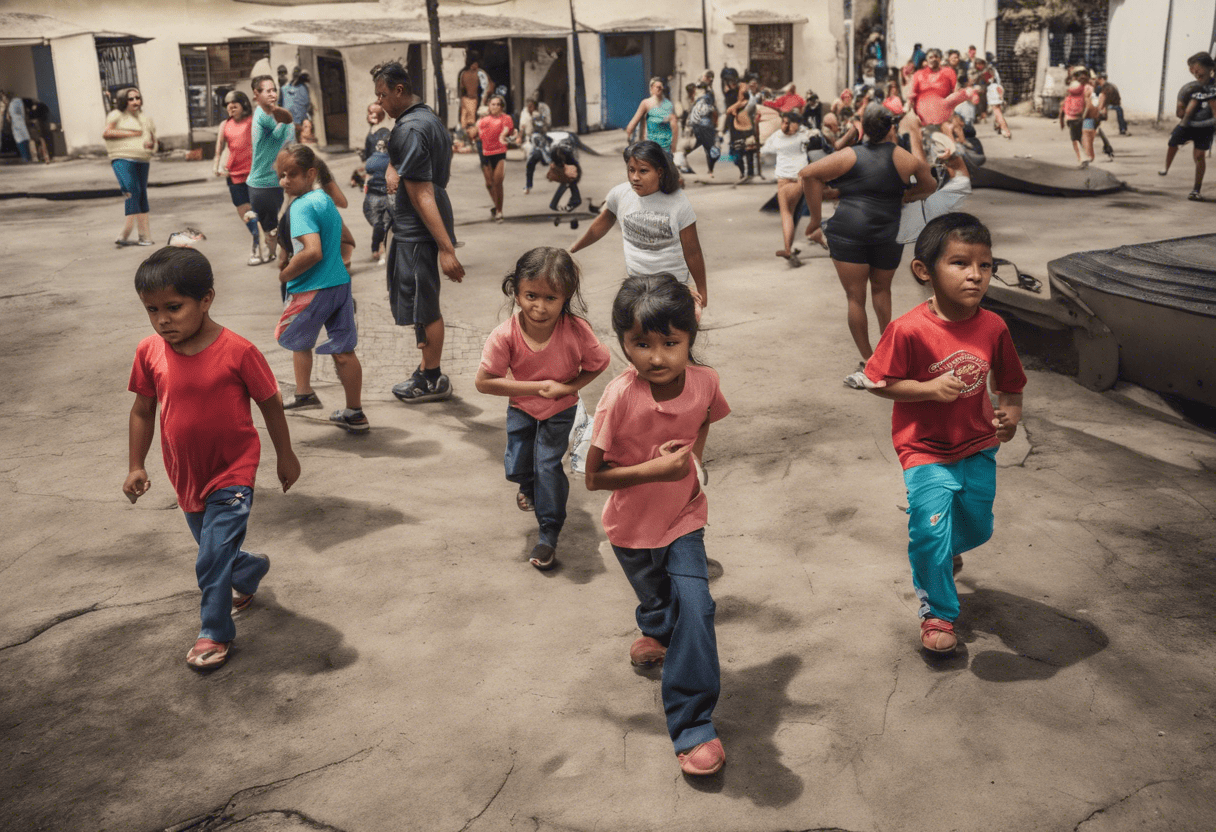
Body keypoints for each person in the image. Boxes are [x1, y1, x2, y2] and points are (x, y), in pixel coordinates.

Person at [124, 246, 300, 670]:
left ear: (206, 299)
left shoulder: (237, 351)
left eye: (174, 307)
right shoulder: (150, 352)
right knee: (217, 552)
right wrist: (136, 464)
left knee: (210, 557)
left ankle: (213, 633)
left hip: (233, 472)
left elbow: (271, 403)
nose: (163, 319)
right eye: (152, 310)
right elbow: (142, 410)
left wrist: (285, 456)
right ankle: (250, 569)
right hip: (186, 475)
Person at [585, 273, 730, 776]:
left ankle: (693, 725)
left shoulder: (706, 380)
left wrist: (695, 464)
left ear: (690, 338)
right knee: (656, 595)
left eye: (671, 343)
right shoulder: (618, 396)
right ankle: (656, 625)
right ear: (622, 341)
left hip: (684, 516)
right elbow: (593, 477)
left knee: (698, 605)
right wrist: (657, 470)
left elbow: (707, 414)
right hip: (630, 524)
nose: (657, 356)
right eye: (640, 344)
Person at [861, 212, 1026, 655]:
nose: (975, 275)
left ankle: (948, 549)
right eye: (959, 263)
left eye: (985, 265)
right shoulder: (909, 329)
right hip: (924, 450)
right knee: (930, 531)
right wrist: (927, 389)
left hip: (977, 446)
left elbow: (1010, 384)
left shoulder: (993, 326)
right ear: (923, 271)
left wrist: (1009, 417)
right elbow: (879, 382)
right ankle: (938, 612)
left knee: (976, 525)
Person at [475, 247, 610, 570]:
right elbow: (484, 382)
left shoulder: (576, 330)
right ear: (515, 291)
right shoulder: (504, 335)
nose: (539, 306)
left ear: (566, 297)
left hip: (560, 409)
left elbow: (599, 363)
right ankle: (526, 484)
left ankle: (548, 533)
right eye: (530, 295)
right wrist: (536, 388)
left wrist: (568, 387)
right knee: (519, 465)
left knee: (548, 466)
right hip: (521, 407)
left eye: (551, 298)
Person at [799, 103, 934, 387]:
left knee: (854, 298)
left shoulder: (849, 155)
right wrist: (908, 197)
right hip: (888, 233)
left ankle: (870, 359)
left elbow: (809, 173)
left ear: (863, 129)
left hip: (849, 231)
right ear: (891, 128)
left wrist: (814, 218)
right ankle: (890, 357)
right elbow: (930, 184)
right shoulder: (903, 157)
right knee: (882, 292)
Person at [374, 61, 465, 403]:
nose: (380, 102)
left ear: (400, 90)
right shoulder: (427, 118)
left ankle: (431, 377)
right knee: (419, 304)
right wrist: (393, 166)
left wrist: (445, 248)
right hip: (426, 222)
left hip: (419, 228)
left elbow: (421, 192)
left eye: (383, 95)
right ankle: (426, 369)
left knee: (425, 306)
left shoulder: (408, 129)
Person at [272, 144, 366, 431]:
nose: (285, 181)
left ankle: (305, 393)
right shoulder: (324, 200)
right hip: (339, 284)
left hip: (312, 288)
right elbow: (340, 240)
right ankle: (354, 412)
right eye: (281, 175)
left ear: (310, 173)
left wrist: (286, 274)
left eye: (292, 174)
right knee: (344, 350)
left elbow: (312, 251)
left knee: (290, 336)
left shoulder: (301, 206)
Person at [569, 141, 708, 311]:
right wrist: (576, 246)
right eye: (631, 170)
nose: (635, 177)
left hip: (672, 286)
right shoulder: (620, 194)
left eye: (643, 171)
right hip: (637, 284)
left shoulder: (678, 202)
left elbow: (692, 251)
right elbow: (603, 222)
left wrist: (702, 290)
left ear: (659, 172)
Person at [247, 75, 295, 263]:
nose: (273, 94)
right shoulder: (262, 116)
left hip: (280, 180)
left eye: (274, 90)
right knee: (271, 229)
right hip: (263, 183)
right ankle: (265, 251)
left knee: (287, 225)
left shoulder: (274, 115)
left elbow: (289, 142)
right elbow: (284, 121)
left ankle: (284, 255)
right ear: (256, 94)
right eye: (268, 90)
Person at [102, 87, 157, 247]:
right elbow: (107, 132)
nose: (135, 102)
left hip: (142, 159)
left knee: (140, 194)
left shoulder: (145, 118)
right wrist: (133, 133)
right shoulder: (116, 115)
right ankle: (127, 232)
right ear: (123, 101)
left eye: (137, 98)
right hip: (122, 157)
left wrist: (151, 145)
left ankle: (144, 236)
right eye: (131, 99)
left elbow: (153, 137)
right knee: (131, 190)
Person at [213, 91, 262, 266]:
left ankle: (260, 244)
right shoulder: (225, 124)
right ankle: (256, 237)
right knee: (243, 210)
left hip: (254, 173)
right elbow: (219, 147)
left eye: (235, 103)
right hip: (234, 174)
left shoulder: (253, 121)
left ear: (244, 105)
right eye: (228, 104)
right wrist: (216, 164)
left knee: (259, 210)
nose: (231, 107)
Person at [1159, 52, 1216, 201]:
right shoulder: (1190, 88)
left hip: (1206, 127)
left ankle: (1196, 190)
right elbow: (1180, 111)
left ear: (1210, 68)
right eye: (1193, 70)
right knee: (1173, 143)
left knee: (1199, 156)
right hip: (1187, 124)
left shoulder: (1213, 87)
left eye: (1198, 69)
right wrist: (1183, 108)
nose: (1195, 73)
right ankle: (1166, 167)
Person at [761, 111, 810, 258]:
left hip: (788, 180)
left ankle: (787, 249)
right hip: (797, 179)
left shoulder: (778, 136)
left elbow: (765, 150)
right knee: (792, 212)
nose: (785, 125)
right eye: (784, 122)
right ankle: (789, 247)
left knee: (786, 213)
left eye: (787, 122)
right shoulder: (803, 134)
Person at [475, 95, 516, 222]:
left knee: (498, 182)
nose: (495, 107)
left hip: (499, 152)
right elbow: (476, 134)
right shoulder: (483, 120)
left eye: (498, 104)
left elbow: (507, 130)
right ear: (489, 106)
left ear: (502, 107)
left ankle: (499, 211)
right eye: (493, 104)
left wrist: (508, 136)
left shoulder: (506, 118)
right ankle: (496, 205)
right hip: (485, 152)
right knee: (489, 183)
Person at [624, 77, 679, 157]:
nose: (659, 89)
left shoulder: (663, 104)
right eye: (657, 87)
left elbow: (674, 126)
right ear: (652, 88)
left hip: (659, 145)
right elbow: (635, 120)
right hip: (654, 144)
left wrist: (629, 130)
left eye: (660, 87)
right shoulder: (649, 103)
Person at [908, 49, 959, 126]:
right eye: (931, 57)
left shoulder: (949, 72)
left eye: (936, 57)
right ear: (927, 60)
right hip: (923, 113)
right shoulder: (918, 74)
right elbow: (912, 95)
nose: (933, 59)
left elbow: (955, 92)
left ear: (940, 59)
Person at [686, 83, 720, 175]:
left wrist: (715, 125)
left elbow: (713, 111)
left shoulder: (705, 98)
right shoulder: (698, 99)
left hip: (705, 126)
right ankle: (710, 170)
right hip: (699, 126)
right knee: (708, 148)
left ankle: (710, 169)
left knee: (709, 148)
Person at [725, 85, 757, 180]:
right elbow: (729, 111)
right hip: (736, 132)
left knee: (748, 153)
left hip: (747, 132)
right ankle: (743, 172)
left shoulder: (747, 103)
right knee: (737, 155)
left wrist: (737, 104)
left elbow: (729, 110)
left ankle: (749, 174)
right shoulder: (739, 103)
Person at [1060, 76, 1090, 167]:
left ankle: (1082, 159)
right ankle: (1085, 157)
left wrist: (1061, 121)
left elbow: (1062, 110)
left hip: (1071, 119)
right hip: (1080, 119)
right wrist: (1084, 117)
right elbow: (1087, 106)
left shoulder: (1068, 97)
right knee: (1080, 139)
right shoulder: (1082, 95)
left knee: (1075, 140)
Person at [280, 66, 311, 141]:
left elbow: (307, 104)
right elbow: (280, 104)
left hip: (300, 121)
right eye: (295, 73)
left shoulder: (304, 88)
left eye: (297, 74)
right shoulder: (284, 89)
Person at [458, 56, 484, 138]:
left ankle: (464, 137)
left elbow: (461, 87)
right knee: (471, 120)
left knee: (464, 118)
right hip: (472, 98)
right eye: (476, 64)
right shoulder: (476, 74)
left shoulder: (463, 74)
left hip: (465, 98)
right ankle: (470, 137)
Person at [5, 92, 31, 162]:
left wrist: (9, 117)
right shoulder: (19, 102)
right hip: (21, 123)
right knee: (24, 139)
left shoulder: (13, 104)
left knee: (20, 140)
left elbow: (11, 115)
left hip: (17, 124)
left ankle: (25, 157)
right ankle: (27, 157)